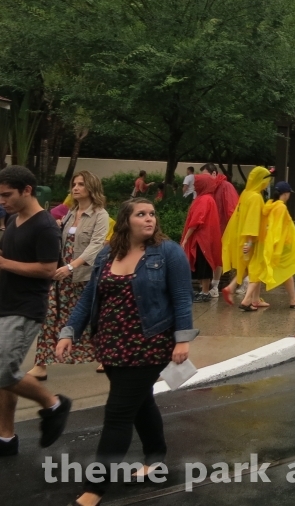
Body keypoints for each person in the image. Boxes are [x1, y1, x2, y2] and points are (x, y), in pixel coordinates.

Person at [57, 198, 196, 503]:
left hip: (149, 343)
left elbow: (183, 297)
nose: (149, 219)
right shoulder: (108, 254)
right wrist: (69, 332)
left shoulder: (167, 252)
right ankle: (156, 457)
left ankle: (95, 488)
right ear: (125, 221)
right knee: (141, 402)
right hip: (111, 345)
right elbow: (89, 298)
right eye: (141, 214)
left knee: (118, 413)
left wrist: (183, 339)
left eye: (152, 214)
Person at [0, 166, 72, 457]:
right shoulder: (13, 217)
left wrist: (3, 264)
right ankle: (5, 437)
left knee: (3, 371)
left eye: (7, 195)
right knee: (5, 374)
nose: (2, 201)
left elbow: (47, 269)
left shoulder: (45, 226)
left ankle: (54, 404)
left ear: (27, 190)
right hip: (5, 303)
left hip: (24, 308)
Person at [29, 171, 110, 380]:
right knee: (50, 317)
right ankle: (41, 364)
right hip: (61, 274)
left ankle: (106, 356)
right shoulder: (69, 212)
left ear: (91, 187)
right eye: (74, 184)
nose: (75, 188)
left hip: (83, 275)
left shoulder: (100, 214)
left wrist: (71, 267)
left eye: (81, 184)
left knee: (94, 318)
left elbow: (96, 246)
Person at [244, 182, 295, 310]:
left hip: (265, 243)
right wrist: (275, 247)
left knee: (270, 271)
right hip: (278, 245)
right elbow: (277, 228)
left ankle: (293, 299)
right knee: (280, 270)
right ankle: (247, 300)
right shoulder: (281, 208)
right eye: (289, 193)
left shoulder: (269, 206)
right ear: (285, 194)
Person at [221, 166, 272, 306]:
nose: (269, 182)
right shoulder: (256, 197)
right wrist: (249, 242)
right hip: (252, 239)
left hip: (242, 236)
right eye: (267, 179)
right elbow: (252, 220)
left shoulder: (246, 193)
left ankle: (254, 298)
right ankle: (232, 289)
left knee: (249, 268)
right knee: (256, 267)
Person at [180, 173, 223, 302]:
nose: (195, 185)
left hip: (201, 239)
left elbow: (197, 220)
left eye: (197, 182)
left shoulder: (204, 199)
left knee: (204, 265)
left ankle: (205, 292)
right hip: (205, 238)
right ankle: (203, 291)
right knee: (203, 264)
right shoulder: (207, 198)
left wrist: (186, 238)